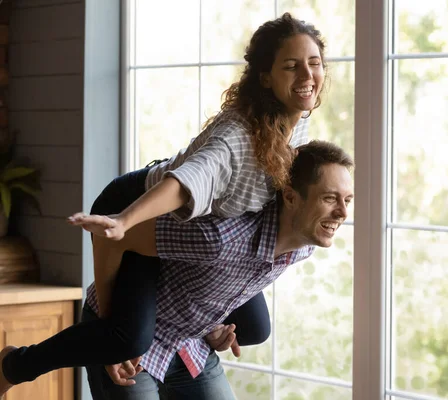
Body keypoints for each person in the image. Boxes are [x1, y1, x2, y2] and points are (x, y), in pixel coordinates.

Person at [1, 11, 327, 398]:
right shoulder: (236, 139)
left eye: (315, 63)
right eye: (291, 66)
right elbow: (187, 181)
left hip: (185, 221)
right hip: (138, 202)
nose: (307, 75)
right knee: (125, 337)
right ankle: (15, 363)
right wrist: (124, 220)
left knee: (254, 327)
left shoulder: (294, 119)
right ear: (265, 77)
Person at [0, 140, 354, 399]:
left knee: (255, 328)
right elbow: (112, 238)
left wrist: (214, 324)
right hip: (132, 336)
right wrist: (111, 336)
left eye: (347, 200)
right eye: (329, 198)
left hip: (190, 343)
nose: (342, 212)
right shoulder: (217, 237)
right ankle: (13, 364)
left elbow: (234, 280)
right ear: (291, 197)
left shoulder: (304, 245)